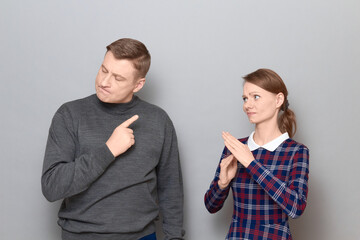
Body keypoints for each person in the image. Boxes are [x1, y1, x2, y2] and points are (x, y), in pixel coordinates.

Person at [42, 38, 184, 240]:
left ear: (138, 84)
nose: (104, 82)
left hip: (142, 237)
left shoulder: (158, 120)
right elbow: (51, 186)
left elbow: (171, 188)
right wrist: (108, 150)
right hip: (81, 236)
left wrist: (175, 237)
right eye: (103, 70)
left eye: (118, 78)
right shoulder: (70, 115)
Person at [204, 68, 309, 240]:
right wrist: (222, 184)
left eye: (256, 97)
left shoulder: (296, 152)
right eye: (245, 98)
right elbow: (211, 206)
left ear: (278, 100)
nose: (247, 105)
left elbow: (296, 208)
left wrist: (252, 164)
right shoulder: (235, 147)